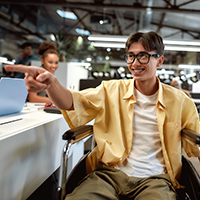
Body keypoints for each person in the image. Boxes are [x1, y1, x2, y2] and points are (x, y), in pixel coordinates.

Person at [5, 31, 200, 200]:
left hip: (156, 179)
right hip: (109, 173)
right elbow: (72, 101)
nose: (135, 63)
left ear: (160, 60)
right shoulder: (110, 90)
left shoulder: (180, 101)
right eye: (130, 56)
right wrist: (52, 84)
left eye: (143, 56)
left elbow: (196, 144)